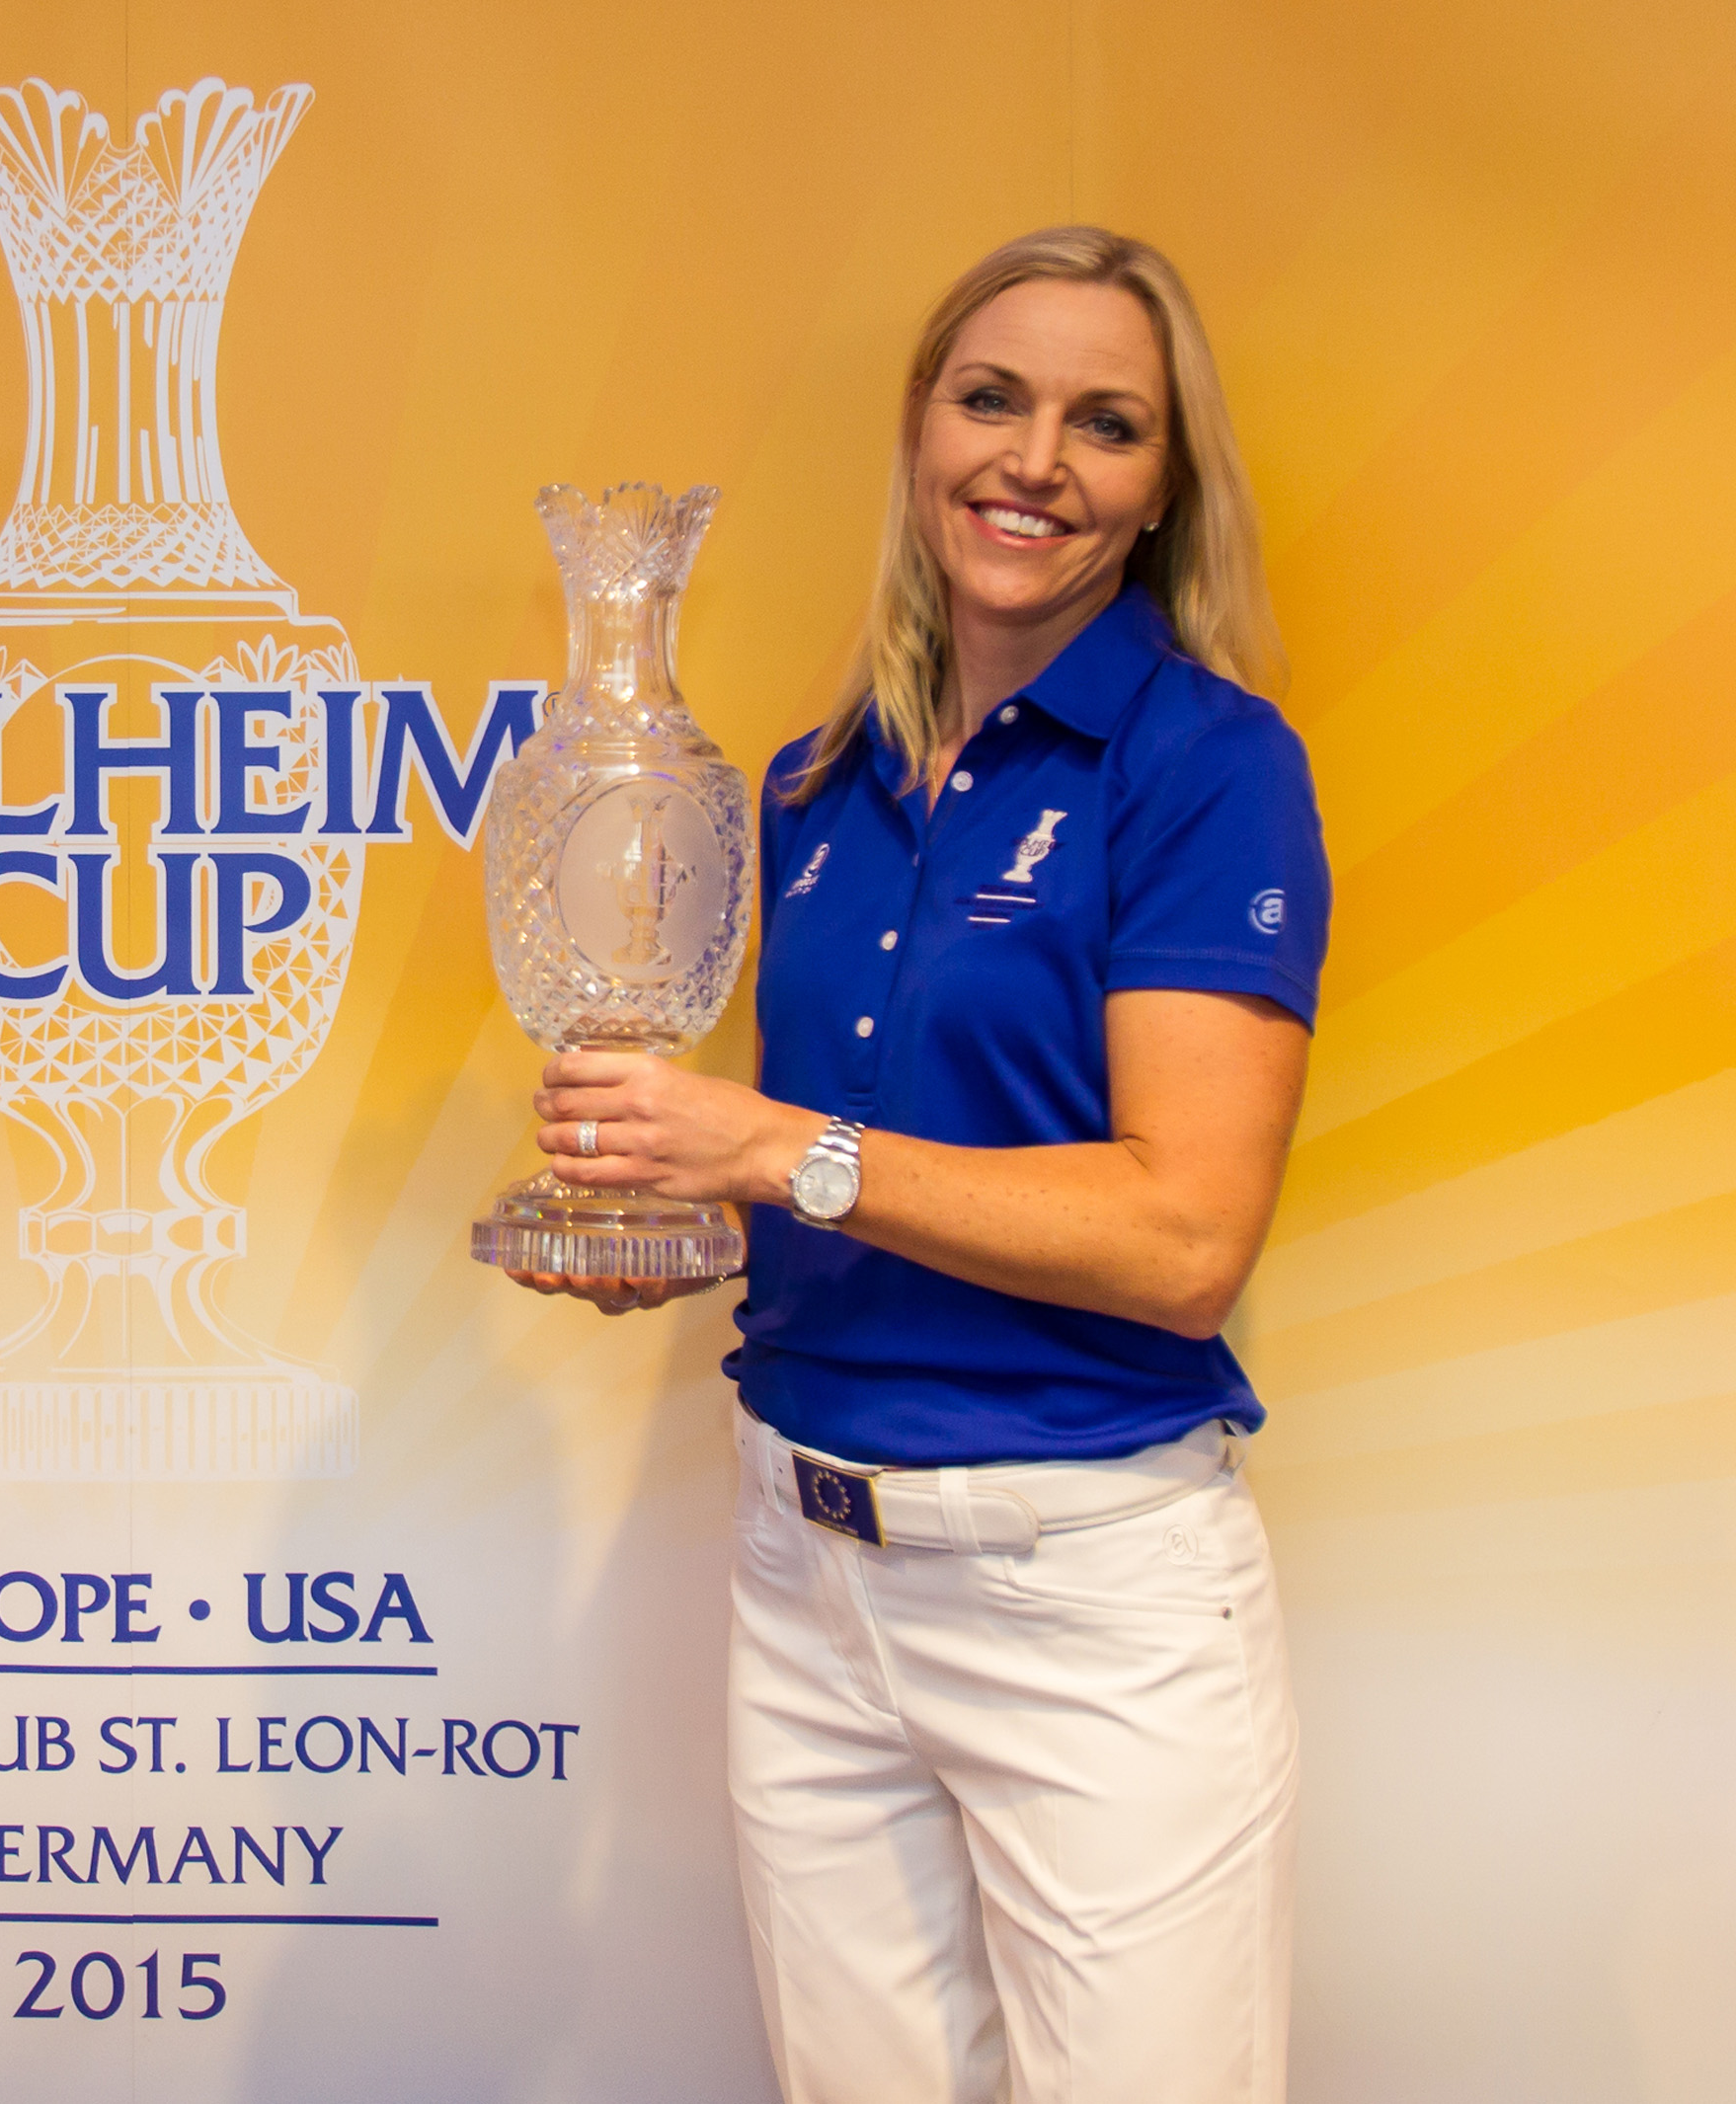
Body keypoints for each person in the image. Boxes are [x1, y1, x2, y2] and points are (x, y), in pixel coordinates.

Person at [510, 226, 1328, 2103]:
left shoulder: (1205, 768)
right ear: (919, 430)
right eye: (992, 399)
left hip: (1083, 1596)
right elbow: (852, 1200)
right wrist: (666, 1223)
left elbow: (1184, 1238)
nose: (1034, 461)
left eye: (1106, 424)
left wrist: (765, 1144)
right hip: (806, 1574)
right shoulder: (814, 782)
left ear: (1161, 490)